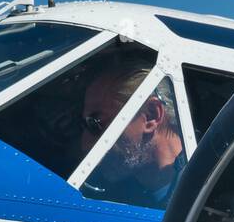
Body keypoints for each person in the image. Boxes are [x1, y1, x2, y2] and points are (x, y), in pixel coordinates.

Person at [79, 60, 186, 208]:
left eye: (96, 123)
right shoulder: (113, 198)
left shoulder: (208, 190)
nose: (85, 143)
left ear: (150, 115)